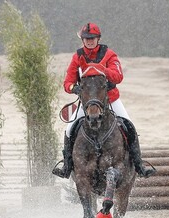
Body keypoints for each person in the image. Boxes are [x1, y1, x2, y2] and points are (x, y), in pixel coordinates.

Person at [52, 22, 155, 179]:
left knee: (129, 125)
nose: (90, 41)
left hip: (110, 100)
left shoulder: (109, 55)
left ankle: (139, 165)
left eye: (92, 38)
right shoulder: (77, 56)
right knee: (69, 129)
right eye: (87, 38)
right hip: (87, 104)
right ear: (83, 40)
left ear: (98, 38)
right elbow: (67, 83)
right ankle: (67, 166)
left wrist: (101, 69)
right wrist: (75, 88)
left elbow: (118, 76)